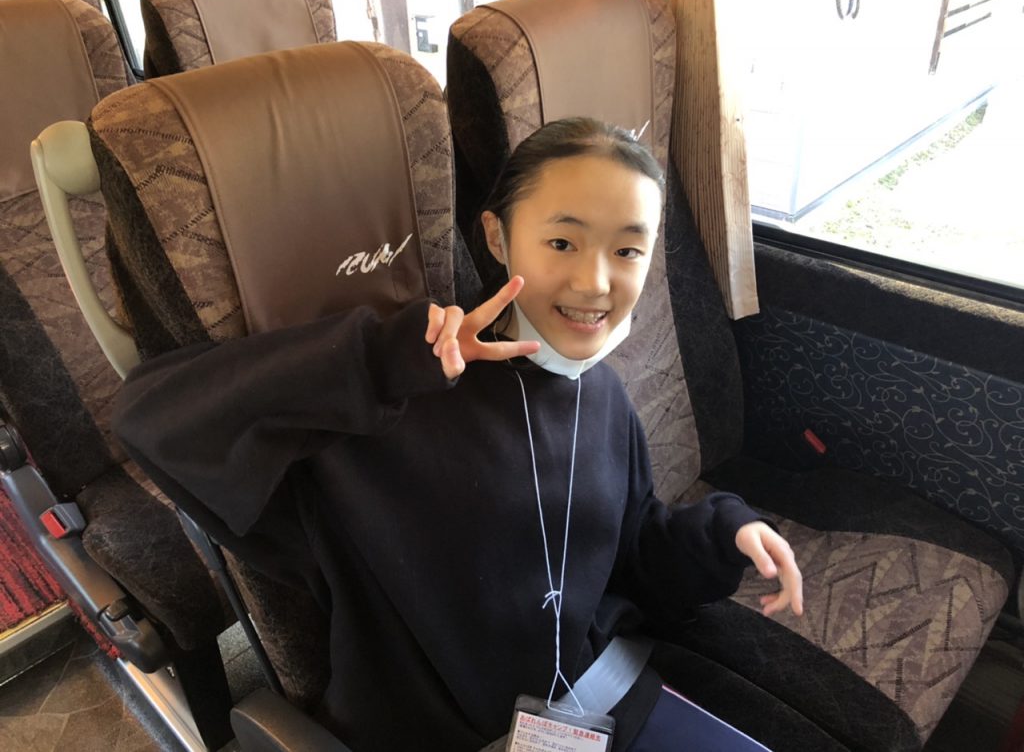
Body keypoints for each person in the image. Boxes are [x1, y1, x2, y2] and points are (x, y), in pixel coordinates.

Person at [113, 117, 802, 752]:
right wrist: (383, 361)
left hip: (598, 703)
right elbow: (152, 423)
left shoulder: (603, 396)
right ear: (497, 238)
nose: (596, 281)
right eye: (562, 242)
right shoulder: (387, 412)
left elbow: (630, 550)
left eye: (627, 249)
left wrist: (724, 532)